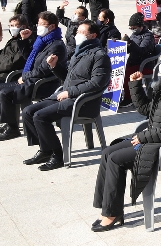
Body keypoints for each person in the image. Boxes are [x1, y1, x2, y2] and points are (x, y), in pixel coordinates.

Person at [92, 44, 161, 232]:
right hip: (155, 139)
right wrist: (135, 86)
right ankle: (107, 205)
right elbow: (146, 111)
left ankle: (112, 213)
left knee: (117, 160)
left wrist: (143, 137)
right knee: (108, 152)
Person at [22, 20, 111, 171]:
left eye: (82, 33)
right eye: (77, 32)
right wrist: (55, 66)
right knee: (28, 112)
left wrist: (70, 92)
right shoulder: (79, 52)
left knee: (40, 116)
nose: (78, 35)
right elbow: (67, 77)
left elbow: (97, 83)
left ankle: (58, 156)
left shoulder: (100, 55)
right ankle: (46, 149)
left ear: (93, 35)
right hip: (67, 96)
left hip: (83, 102)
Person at [0, 11, 66, 141]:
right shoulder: (41, 41)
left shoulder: (56, 45)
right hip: (32, 79)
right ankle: (8, 123)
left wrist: (25, 77)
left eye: (42, 24)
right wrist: (25, 41)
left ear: (52, 26)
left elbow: (43, 69)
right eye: (38, 23)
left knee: (5, 92)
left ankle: (12, 128)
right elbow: (29, 59)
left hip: (43, 84)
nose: (39, 27)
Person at [120, 12, 155, 107]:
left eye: (134, 27)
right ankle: (119, 96)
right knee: (119, 71)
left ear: (140, 26)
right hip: (133, 61)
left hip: (144, 64)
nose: (132, 30)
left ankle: (129, 98)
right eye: (130, 28)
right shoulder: (134, 35)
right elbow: (129, 49)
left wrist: (130, 43)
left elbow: (142, 50)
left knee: (128, 74)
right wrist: (122, 43)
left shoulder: (148, 36)